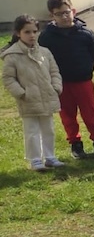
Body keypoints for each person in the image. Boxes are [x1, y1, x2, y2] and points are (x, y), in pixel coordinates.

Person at [39, 0, 94, 158]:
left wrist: (86, 69)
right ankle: (76, 145)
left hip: (83, 81)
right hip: (61, 83)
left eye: (66, 12)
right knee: (68, 115)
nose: (64, 16)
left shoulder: (86, 34)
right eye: (59, 14)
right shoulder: (46, 37)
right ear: (52, 16)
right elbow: (44, 58)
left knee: (90, 113)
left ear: (73, 11)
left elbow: (93, 53)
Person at [2, 14, 64, 171]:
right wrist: (22, 93)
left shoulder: (45, 52)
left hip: (47, 96)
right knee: (32, 131)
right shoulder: (13, 55)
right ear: (18, 33)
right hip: (28, 100)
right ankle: (35, 160)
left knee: (48, 129)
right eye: (27, 32)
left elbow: (54, 71)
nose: (32, 35)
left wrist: (56, 87)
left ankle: (50, 157)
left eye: (34, 31)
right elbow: (9, 79)